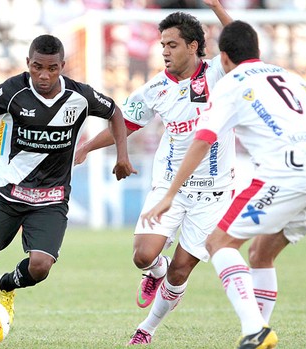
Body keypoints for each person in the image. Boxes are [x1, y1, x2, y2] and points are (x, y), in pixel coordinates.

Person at [141, 20, 306, 349]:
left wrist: (169, 194)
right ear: (259, 51)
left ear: (222, 58)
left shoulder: (230, 84)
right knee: (261, 253)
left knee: (219, 243)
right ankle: (261, 332)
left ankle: (255, 329)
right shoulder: (290, 77)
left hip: (284, 172)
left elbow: (203, 140)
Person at [0, 34, 137, 348]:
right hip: (8, 191)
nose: (44, 75)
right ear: (28, 64)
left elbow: (116, 114)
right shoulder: (12, 91)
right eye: (37, 67)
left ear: (62, 67)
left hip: (52, 197)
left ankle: (7, 284)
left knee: (40, 267)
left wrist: (123, 156)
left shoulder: (79, 96)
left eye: (52, 68)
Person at [74, 0, 233, 345]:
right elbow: (125, 125)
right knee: (143, 256)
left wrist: (218, 7)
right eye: (162, 45)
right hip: (168, 188)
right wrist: (86, 147)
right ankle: (154, 271)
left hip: (213, 194)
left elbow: (242, 46)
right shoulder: (155, 89)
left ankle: (146, 329)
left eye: (172, 44)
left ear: (193, 46)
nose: (164, 51)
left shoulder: (219, 75)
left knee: (180, 271)